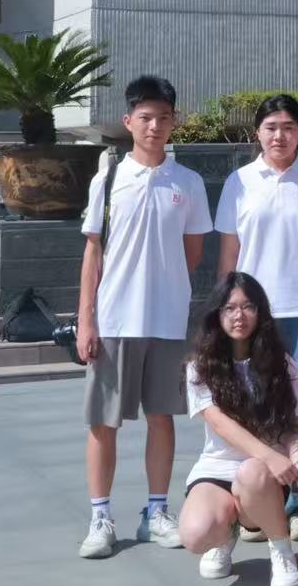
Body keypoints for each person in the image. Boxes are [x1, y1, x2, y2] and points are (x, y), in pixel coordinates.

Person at [76, 75, 214, 561]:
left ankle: (156, 511)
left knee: (163, 417)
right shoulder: (109, 179)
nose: (155, 126)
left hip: (167, 320)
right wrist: (86, 320)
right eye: (146, 117)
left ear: (175, 122)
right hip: (114, 319)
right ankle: (100, 517)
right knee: (103, 421)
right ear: (128, 121)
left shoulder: (188, 182)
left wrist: (163, 285)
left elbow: (192, 253)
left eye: (164, 117)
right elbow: (93, 253)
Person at [215, 94, 298, 541]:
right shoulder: (239, 182)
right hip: (251, 313)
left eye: (288, 127)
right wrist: (225, 307)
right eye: (271, 127)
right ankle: (258, 506)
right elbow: (229, 251)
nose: (279, 136)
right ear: (257, 132)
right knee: (253, 405)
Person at [176, 272, 298, 586]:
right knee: (194, 535)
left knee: (251, 472)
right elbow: (219, 423)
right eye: (230, 308)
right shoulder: (200, 367)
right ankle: (225, 534)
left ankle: (282, 552)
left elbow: (291, 428)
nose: (239, 315)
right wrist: (270, 455)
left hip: (262, 478)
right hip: (218, 469)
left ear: (260, 312)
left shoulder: (283, 365)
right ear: (217, 314)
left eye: (248, 307)